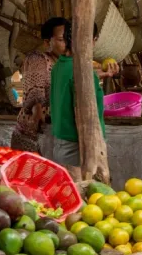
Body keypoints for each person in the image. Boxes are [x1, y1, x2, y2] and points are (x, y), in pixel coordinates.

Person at [49, 23, 118, 180]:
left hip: (61, 144)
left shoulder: (59, 66)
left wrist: (97, 75)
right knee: (87, 198)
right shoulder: (81, 73)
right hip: (78, 147)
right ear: (91, 40)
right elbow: (83, 116)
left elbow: (72, 85)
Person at [11, 17, 69, 153]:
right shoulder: (38, 59)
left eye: (69, 38)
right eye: (61, 40)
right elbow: (35, 93)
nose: (67, 43)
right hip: (32, 137)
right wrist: (37, 110)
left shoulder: (69, 63)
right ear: (47, 42)